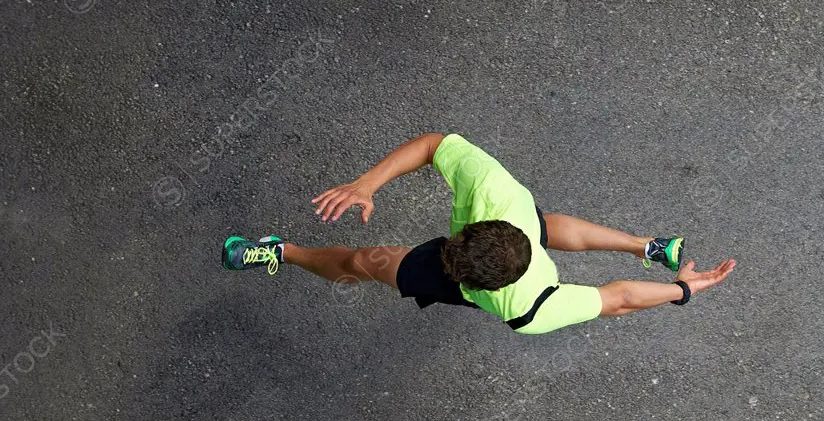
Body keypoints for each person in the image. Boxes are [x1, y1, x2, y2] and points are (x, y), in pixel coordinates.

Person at [221, 132, 735, 334]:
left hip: (510, 270)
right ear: (484, 227)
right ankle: (648, 246)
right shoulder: (497, 194)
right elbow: (434, 144)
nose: (446, 255)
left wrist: (686, 290)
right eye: (454, 251)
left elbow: (619, 298)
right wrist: (366, 183)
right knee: (542, 222)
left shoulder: (530, 310)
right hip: (517, 230)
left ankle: (280, 252)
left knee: (364, 262)